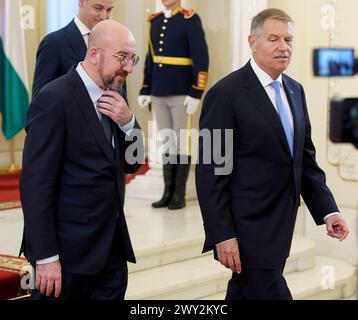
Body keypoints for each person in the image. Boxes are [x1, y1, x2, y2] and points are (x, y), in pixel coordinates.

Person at [196, 8, 349, 300]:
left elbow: (304, 160)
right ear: (252, 42)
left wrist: (328, 210)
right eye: (274, 38)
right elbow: (210, 172)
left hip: (281, 223)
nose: (284, 47)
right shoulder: (224, 94)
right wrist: (222, 234)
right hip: (247, 227)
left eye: (289, 39)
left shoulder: (295, 90)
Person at [20, 20, 143, 300]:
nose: (129, 67)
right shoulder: (54, 98)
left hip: (111, 252)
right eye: (122, 57)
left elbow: (133, 163)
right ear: (94, 54)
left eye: (132, 58)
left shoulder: (116, 93)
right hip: (65, 257)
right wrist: (46, 256)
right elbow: (36, 186)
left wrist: (130, 123)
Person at [138, 0, 209, 210]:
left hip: (181, 91)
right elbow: (150, 58)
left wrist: (197, 92)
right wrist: (145, 88)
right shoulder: (155, 21)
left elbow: (201, 57)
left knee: (181, 143)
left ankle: (179, 194)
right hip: (158, 90)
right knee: (167, 142)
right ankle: (167, 192)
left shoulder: (189, 19)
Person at [31, 0, 119, 100]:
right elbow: (41, 100)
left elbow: (120, 93)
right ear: (81, 2)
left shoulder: (114, 43)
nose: (104, 16)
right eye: (98, 8)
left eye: (109, 10)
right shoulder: (54, 43)